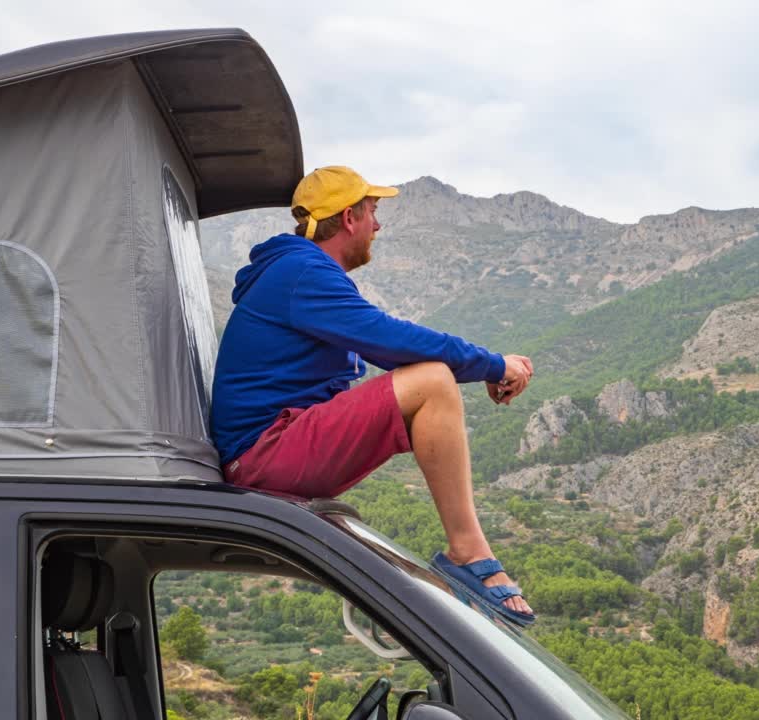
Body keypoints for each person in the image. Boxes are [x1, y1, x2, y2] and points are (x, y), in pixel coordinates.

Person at [211, 166, 536, 624]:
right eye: (373, 212)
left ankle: (467, 552)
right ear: (349, 218)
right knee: (432, 380)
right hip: (266, 453)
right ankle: (467, 552)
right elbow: (391, 340)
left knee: (429, 381)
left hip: (275, 446)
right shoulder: (301, 272)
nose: (378, 226)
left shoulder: (299, 271)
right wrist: (494, 364)